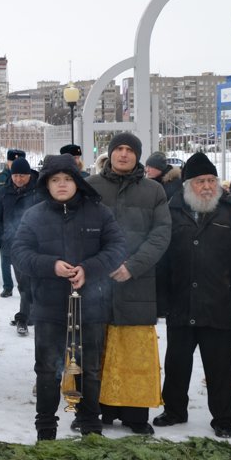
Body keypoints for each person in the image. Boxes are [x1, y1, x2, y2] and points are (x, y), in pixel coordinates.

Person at [13, 154, 126, 440]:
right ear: (46, 185)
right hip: (50, 306)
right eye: (55, 180)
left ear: (76, 181)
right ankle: (46, 431)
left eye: (67, 179)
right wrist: (50, 265)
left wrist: (89, 269)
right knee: (47, 369)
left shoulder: (98, 212)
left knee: (88, 369)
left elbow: (116, 248)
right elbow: (20, 253)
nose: (61, 185)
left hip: (91, 306)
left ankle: (90, 428)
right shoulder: (35, 215)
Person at [155, 153, 231, 438]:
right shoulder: (172, 211)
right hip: (181, 303)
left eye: (211, 180)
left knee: (220, 366)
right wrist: (163, 301)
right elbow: (162, 261)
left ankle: (224, 419)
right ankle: (174, 410)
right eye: (201, 181)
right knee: (176, 363)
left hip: (219, 303)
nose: (208, 186)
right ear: (188, 185)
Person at [88, 132, 170, 436]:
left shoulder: (153, 191)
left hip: (137, 282)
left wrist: (132, 267)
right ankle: (96, 411)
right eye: (118, 149)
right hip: (96, 282)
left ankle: (135, 415)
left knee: (134, 354)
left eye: (129, 150)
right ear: (110, 154)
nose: (123, 154)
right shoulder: (91, 187)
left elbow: (161, 234)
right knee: (96, 349)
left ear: (137, 155)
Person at [0, 157, 40, 337]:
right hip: (12, 244)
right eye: (15, 175)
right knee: (23, 282)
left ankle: (24, 317)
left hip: (34, 246)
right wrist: (0, 239)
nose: (19, 179)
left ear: (29, 175)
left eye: (22, 175)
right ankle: (28, 315)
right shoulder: (5, 191)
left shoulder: (38, 191)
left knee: (30, 282)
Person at [0, 149, 26, 298]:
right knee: (5, 259)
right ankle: (7, 286)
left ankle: (25, 288)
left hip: (23, 227)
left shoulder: (29, 180)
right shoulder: (0, 179)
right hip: (5, 223)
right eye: (12, 161)